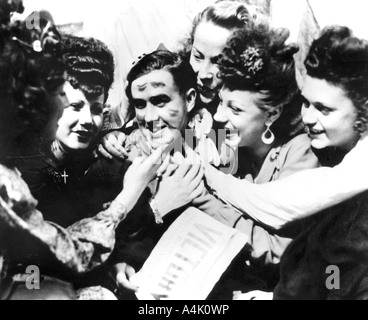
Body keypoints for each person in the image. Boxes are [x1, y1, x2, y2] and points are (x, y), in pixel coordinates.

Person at [0, 3, 168, 300]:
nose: (87, 121)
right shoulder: (18, 170)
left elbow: (126, 240)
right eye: (73, 106)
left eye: (96, 109)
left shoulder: (109, 162)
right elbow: (57, 256)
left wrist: (117, 267)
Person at [234, 26, 368, 300]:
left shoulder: (356, 199)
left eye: (324, 109)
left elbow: (335, 280)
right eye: (306, 103)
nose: (308, 117)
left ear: (363, 113)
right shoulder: (333, 155)